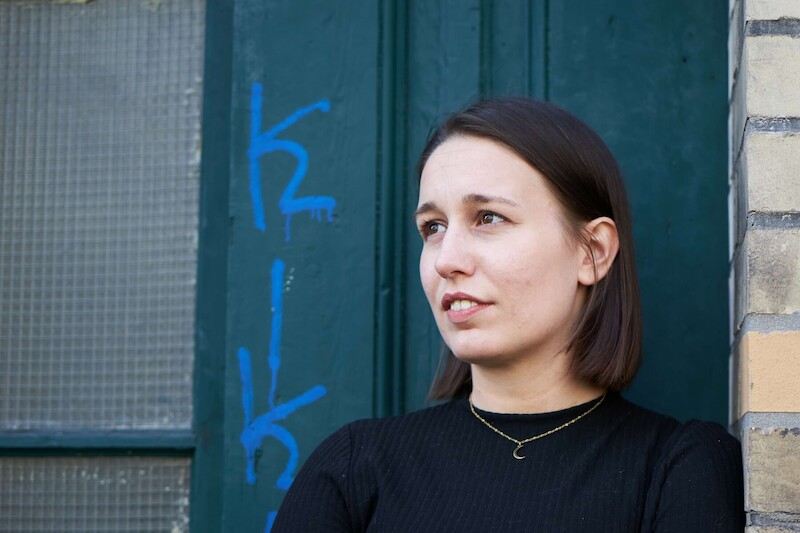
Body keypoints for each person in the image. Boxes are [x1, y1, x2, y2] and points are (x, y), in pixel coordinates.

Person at [272, 98, 744, 532]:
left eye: (488, 217)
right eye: (432, 227)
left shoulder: (679, 469)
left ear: (592, 252)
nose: (446, 260)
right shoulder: (353, 470)